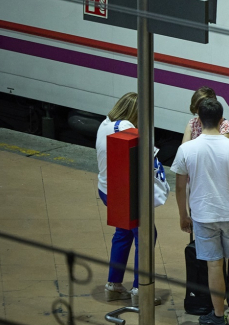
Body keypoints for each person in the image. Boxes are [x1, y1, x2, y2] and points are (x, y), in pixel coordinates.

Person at [172, 99, 229, 325]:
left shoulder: (187, 149)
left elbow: (180, 186)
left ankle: (218, 316)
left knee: (214, 264)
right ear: (221, 120)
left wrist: (183, 215)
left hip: (203, 215)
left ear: (199, 120)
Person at [95, 92, 164, 306]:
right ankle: (140, 290)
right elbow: (149, 159)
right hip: (125, 193)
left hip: (107, 189)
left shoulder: (105, 124)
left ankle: (114, 286)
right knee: (145, 235)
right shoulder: (126, 128)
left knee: (123, 234)